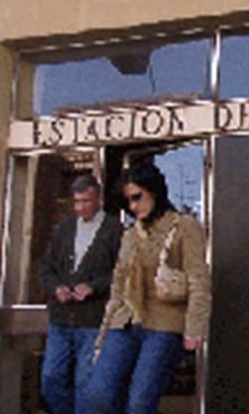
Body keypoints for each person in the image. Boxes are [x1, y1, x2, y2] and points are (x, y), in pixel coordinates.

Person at [83, 163, 211, 414]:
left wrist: (195, 328)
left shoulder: (183, 226)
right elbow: (117, 290)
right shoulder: (130, 235)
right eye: (127, 201)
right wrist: (102, 339)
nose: (132, 206)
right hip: (125, 323)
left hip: (164, 325)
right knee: (98, 393)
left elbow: (199, 281)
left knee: (140, 403)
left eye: (137, 197)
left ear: (155, 191)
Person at [39, 175, 123, 414]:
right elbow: (46, 268)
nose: (80, 207)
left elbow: (124, 273)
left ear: (98, 199)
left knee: (86, 385)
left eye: (85, 201)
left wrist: (94, 287)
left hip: (93, 320)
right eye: (76, 202)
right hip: (61, 318)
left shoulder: (114, 229)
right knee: (50, 378)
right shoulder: (63, 229)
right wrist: (56, 288)